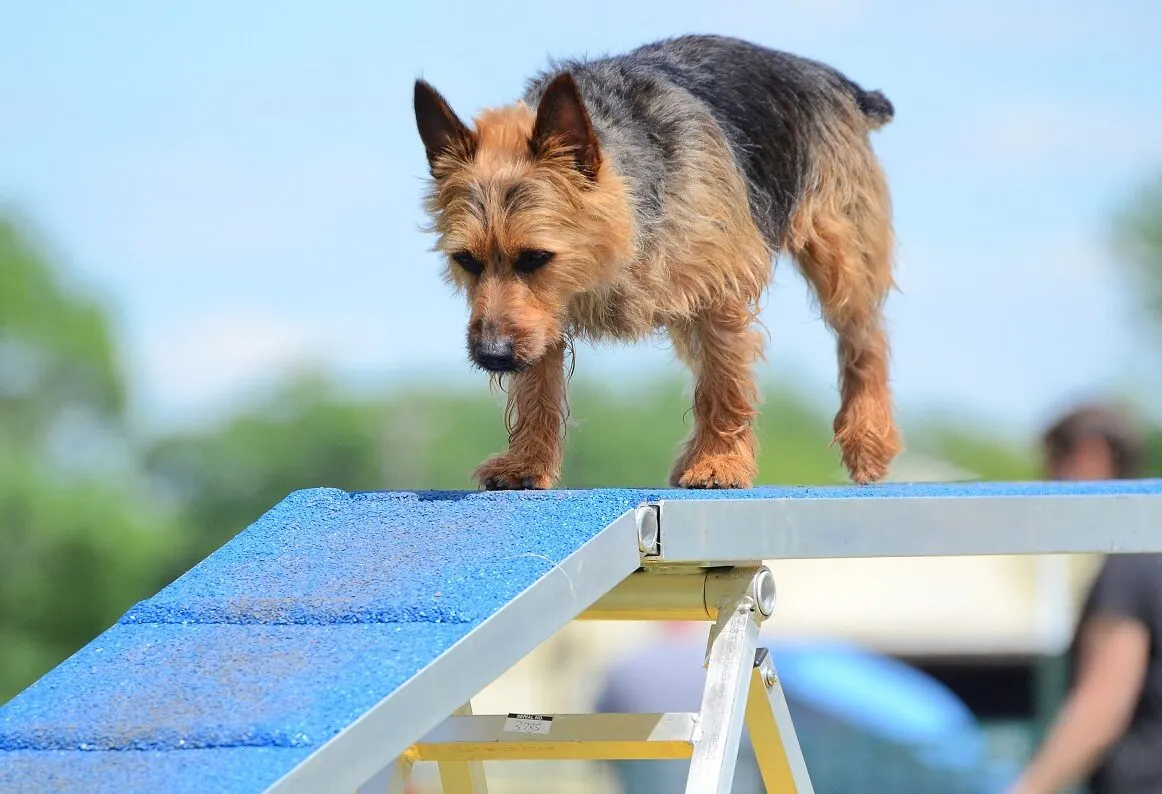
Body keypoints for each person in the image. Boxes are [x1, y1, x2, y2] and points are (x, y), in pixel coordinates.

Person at [1009, 404, 1162, 794]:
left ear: (1089, 456)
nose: (1045, 481)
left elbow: (1102, 704)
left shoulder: (1126, 568)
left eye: (1052, 464)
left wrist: (1028, 788)